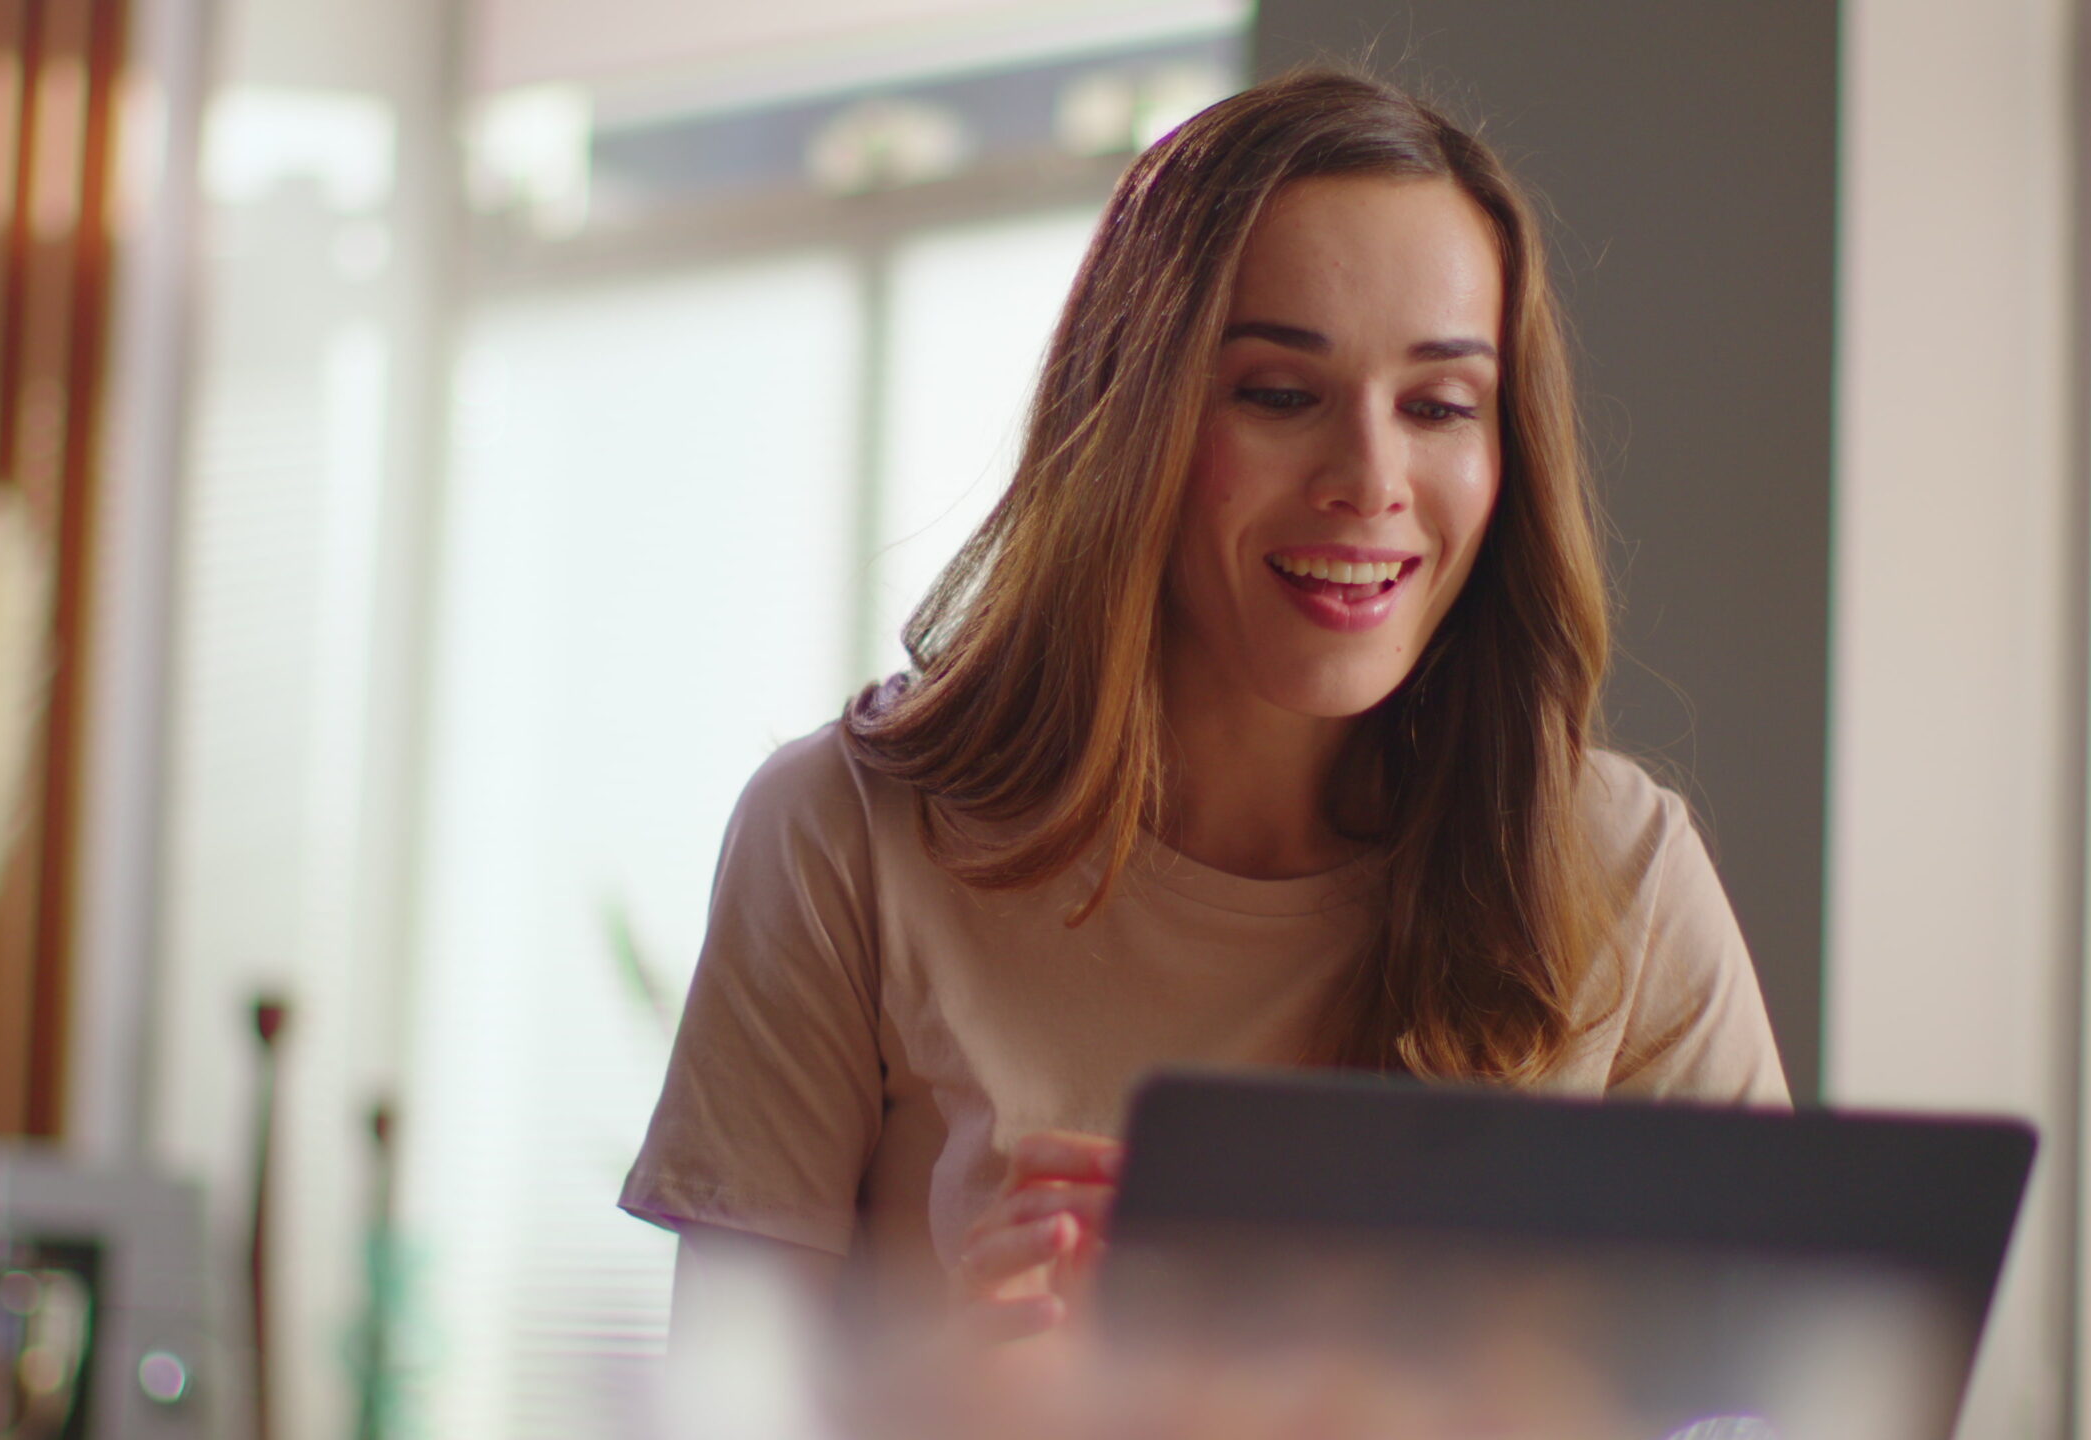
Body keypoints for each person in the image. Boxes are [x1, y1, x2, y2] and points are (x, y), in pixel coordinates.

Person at [619, 67, 1787, 1348]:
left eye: (1439, 405)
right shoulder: (842, 836)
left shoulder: (1614, 869)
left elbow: (1780, 1398)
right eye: (1279, 396)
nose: (1370, 479)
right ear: (1131, 421)